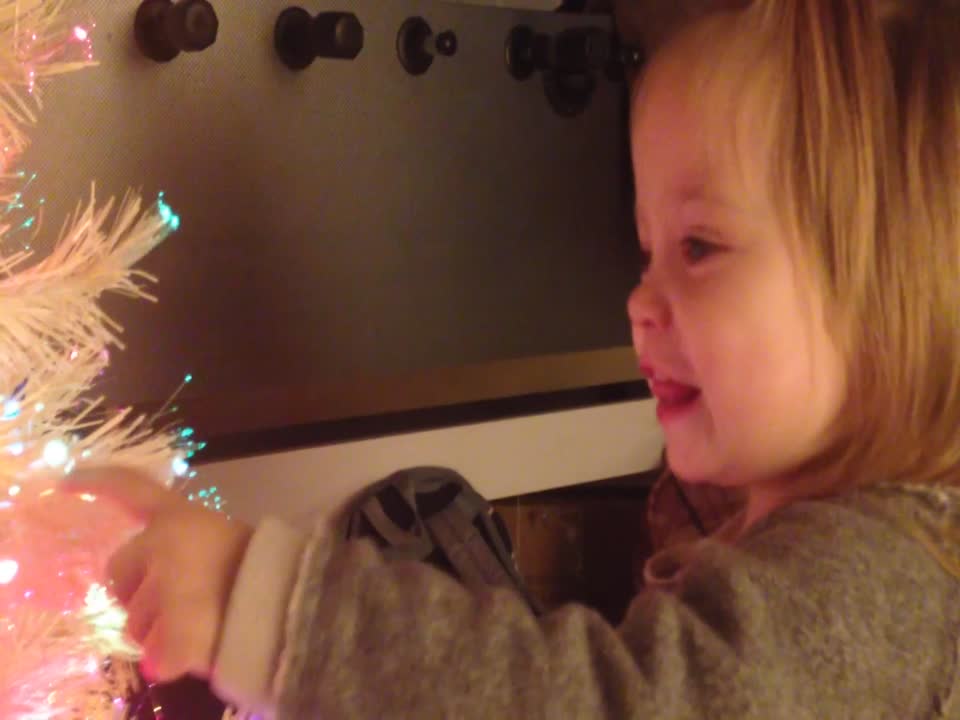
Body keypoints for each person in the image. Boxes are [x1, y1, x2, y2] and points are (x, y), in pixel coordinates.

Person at [62, 2, 960, 717]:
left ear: (891, 295)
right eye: (645, 250)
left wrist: (251, 602)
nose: (641, 301)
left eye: (700, 247)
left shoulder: (870, 581)